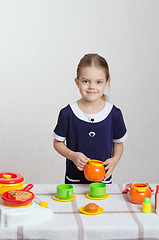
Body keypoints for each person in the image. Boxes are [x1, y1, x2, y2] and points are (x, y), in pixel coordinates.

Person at [53, 53, 127, 184]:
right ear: (77, 82)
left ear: (106, 83)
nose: (92, 86)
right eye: (86, 81)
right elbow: (57, 143)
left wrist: (114, 160)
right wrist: (72, 156)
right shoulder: (67, 113)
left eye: (98, 82)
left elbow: (118, 144)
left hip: (102, 182)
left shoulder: (114, 114)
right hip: (74, 181)